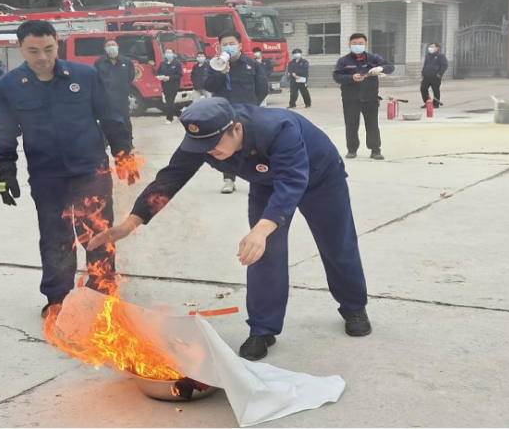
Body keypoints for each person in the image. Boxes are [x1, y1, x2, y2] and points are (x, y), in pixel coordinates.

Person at [88, 98, 372, 361]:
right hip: (266, 182)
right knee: (262, 255)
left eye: (214, 144)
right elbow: (170, 178)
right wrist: (131, 223)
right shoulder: (202, 141)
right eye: (203, 146)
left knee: (336, 243)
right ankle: (262, 329)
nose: (210, 152)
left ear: (236, 128)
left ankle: (353, 307)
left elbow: (292, 181)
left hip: (320, 178)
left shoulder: (277, 128)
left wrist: (262, 229)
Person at [0, 20, 135, 317]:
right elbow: (4, 133)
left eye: (48, 48)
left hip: (90, 169)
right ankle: (57, 298)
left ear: (57, 43)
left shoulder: (84, 75)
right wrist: (6, 172)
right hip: (47, 175)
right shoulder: (7, 87)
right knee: (56, 237)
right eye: (33, 50)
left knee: (97, 232)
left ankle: (103, 292)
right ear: (19, 48)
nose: (42, 56)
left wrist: (123, 154)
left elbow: (110, 116)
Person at [205, 30, 269, 195]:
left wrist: (253, 105)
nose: (228, 47)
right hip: (225, 113)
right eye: (224, 44)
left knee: (253, 146)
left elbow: (262, 88)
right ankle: (228, 180)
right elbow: (209, 87)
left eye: (232, 43)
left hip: (249, 112)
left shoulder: (251, 64)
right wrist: (221, 73)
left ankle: (259, 178)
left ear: (240, 45)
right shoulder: (215, 65)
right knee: (227, 146)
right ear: (219, 47)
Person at [333, 33, 395, 161]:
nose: (357, 46)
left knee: (372, 125)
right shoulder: (343, 61)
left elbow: (390, 67)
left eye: (360, 44)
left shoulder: (374, 59)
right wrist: (351, 78)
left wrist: (380, 68)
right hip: (350, 99)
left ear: (366, 44)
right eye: (354, 44)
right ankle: (352, 149)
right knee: (351, 125)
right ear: (349, 44)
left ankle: (375, 150)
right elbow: (337, 77)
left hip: (370, 98)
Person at [94, 39, 136, 151]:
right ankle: (105, 142)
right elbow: (96, 78)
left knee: (125, 121)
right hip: (106, 98)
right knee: (105, 120)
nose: (111, 47)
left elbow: (130, 77)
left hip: (121, 97)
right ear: (105, 49)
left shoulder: (127, 62)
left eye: (113, 45)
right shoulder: (99, 62)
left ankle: (128, 142)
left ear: (118, 47)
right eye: (109, 45)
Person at [156, 48, 182, 125]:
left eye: (169, 52)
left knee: (170, 101)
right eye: (166, 52)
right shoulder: (163, 63)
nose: (167, 54)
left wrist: (169, 78)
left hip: (173, 85)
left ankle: (169, 118)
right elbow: (158, 72)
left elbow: (179, 75)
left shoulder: (177, 64)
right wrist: (160, 77)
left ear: (173, 54)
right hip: (165, 85)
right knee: (168, 102)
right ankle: (180, 114)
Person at [421, 42, 449, 109]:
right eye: (430, 47)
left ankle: (436, 104)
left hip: (435, 77)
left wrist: (440, 74)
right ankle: (427, 102)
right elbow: (425, 64)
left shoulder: (440, 56)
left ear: (437, 48)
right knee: (423, 88)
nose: (430, 48)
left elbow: (444, 65)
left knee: (435, 90)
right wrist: (423, 72)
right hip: (427, 76)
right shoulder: (428, 55)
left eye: (432, 47)